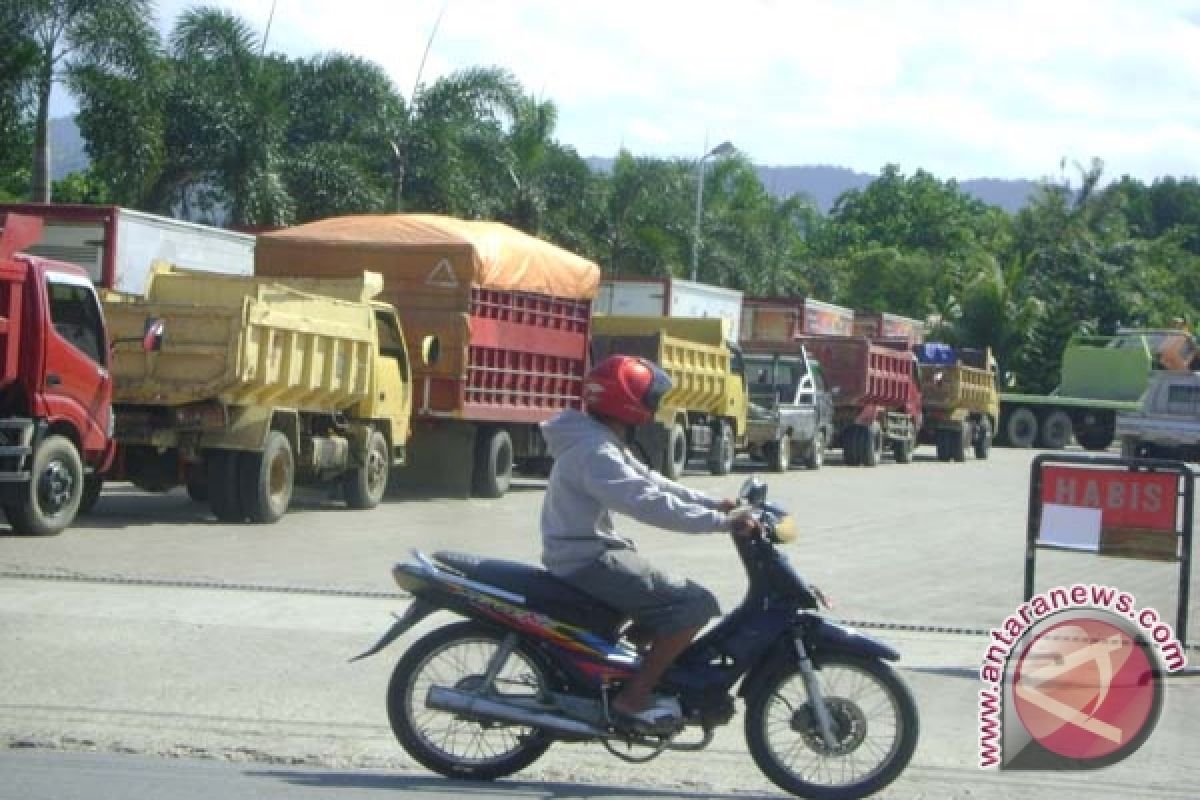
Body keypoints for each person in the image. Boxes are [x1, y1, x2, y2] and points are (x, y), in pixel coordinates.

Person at [539, 354, 758, 732]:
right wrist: (720, 523)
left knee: (667, 600)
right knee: (694, 604)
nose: (654, 406)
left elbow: (653, 482)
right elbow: (647, 503)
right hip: (588, 559)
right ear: (628, 402)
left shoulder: (597, 441)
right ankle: (633, 699)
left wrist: (714, 503)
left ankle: (627, 668)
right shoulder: (597, 452)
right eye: (649, 398)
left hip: (588, 552)